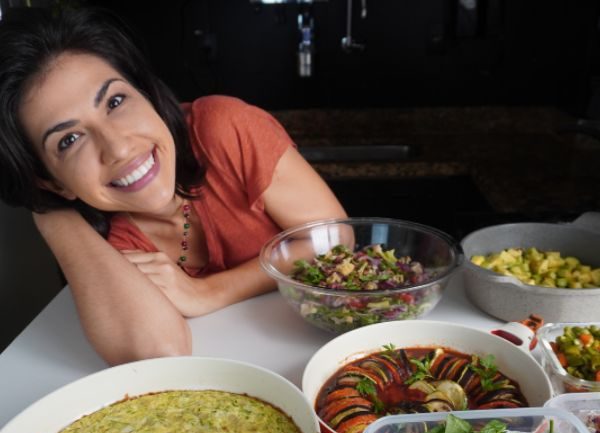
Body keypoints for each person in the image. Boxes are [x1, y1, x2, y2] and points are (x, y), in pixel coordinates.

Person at [0, 7, 346, 365]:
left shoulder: (222, 130)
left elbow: (335, 239)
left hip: (324, 355)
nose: (118, 148)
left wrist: (207, 292)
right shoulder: (111, 242)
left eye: (115, 102)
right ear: (51, 181)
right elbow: (158, 351)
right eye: (69, 140)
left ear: (146, 94)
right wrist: (47, 209)